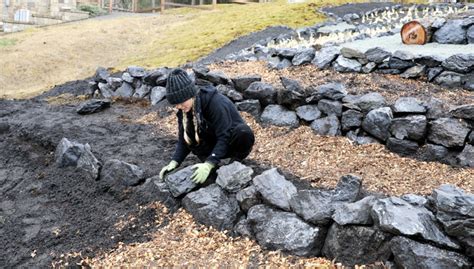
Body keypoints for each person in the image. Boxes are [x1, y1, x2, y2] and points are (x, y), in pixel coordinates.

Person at [159, 68, 255, 184]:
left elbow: (224, 135)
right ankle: (213, 166)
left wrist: (209, 163)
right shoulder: (185, 109)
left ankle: (234, 162)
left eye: (181, 102)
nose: (179, 107)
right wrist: (174, 161)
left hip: (231, 141)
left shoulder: (215, 103)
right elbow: (184, 139)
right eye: (176, 104)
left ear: (190, 95)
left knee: (243, 132)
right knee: (192, 135)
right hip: (212, 140)